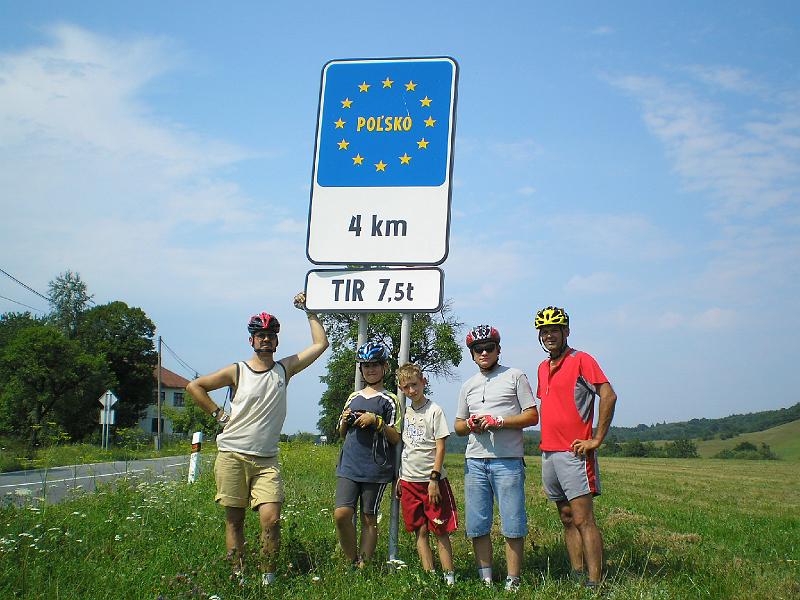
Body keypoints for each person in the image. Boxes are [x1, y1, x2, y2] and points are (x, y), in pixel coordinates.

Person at [186, 292, 329, 586]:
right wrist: (219, 415)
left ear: (277, 341)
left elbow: (320, 344)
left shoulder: (284, 369)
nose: (265, 339)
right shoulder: (237, 370)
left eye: (270, 335)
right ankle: (239, 577)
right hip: (232, 455)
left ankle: (268, 579)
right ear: (251, 340)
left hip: (267, 460)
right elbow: (195, 387)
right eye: (260, 335)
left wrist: (309, 310)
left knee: (271, 519)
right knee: (235, 520)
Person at [534, 306, 617, 591]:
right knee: (567, 518)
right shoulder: (542, 367)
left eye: (554, 330)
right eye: (544, 331)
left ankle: (596, 581)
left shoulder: (581, 360)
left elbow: (608, 395)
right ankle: (577, 573)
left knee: (584, 519)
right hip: (549, 452)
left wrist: (596, 439)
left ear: (566, 332)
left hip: (575, 453)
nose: (549, 335)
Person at [454, 325, 539, 591]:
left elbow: (532, 416)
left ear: (498, 349)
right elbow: (457, 426)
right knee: (477, 523)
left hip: (507, 460)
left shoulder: (515, 376)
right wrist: (471, 424)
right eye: (478, 349)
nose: (484, 353)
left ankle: (513, 579)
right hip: (475, 461)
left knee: (513, 521)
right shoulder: (468, 385)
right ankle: (486, 578)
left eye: (489, 348)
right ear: (472, 354)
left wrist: (498, 421)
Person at [334, 339, 402, 567]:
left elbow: (396, 437)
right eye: (365, 365)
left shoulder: (391, 399)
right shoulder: (353, 397)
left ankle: (363, 566)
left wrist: (376, 421)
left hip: (376, 467)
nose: (370, 369)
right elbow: (342, 433)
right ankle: (352, 559)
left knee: (368, 518)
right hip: (349, 464)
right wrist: (345, 420)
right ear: (361, 369)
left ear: (384, 367)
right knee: (342, 514)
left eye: (374, 365)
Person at [396, 363, 458, 585]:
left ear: (424, 382)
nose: (412, 390)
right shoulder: (405, 412)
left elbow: (440, 447)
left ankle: (449, 577)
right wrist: (400, 477)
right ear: (401, 389)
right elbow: (404, 447)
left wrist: (434, 479)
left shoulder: (435, 410)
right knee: (420, 531)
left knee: (440, 529)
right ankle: (429, 575)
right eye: (406, 387)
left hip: (431, 481)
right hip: (409, 480)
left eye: (415, 384)